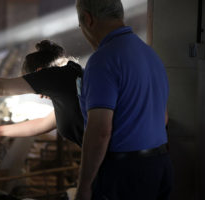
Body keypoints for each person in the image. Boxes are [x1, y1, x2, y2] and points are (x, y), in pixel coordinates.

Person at [74, 0, 173, 200]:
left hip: (125, 173)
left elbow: (100, 131)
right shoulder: (150, 54)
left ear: (87, 19)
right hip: (160, 165)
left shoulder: (103, 59)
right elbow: (163, 118)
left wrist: (84, 186)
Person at [0, 40, 84, 147]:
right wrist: (0, 131)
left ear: (39, 72)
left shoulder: (55, 77)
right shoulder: (71, 76)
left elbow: (0, 88)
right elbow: (43, 124)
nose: (41, 95)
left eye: (38, 91)